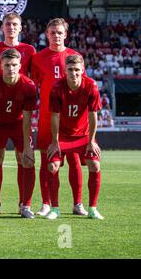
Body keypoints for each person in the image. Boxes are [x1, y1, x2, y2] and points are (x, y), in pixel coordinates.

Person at [0, 12, 36, 216]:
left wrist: (28, 144)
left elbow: (28, 116)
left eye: (15, 24)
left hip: (19, 120)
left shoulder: (29, 58)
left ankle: (25, 205)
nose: (11, 27)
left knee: (27, 159)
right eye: (7, 24)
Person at [31, 18, 88, 217]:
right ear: (47, 34)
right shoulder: (38, 58)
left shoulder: (75, 56)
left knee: (74, 161)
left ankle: (77, 203)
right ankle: (46, 203)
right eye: (52, 32)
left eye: (60, 32)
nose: (56, 35)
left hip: (71, 120)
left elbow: (84, 87)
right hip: (48, 117)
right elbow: (35, 85)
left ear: (66, 34)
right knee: (47, 161)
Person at [46, 54, 104, 220]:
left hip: (84, 135)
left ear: (83, 70)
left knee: (95, 165)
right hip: (63, 135)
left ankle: (92, 208)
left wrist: (92, 141)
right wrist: (55, 142)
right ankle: (55, 208)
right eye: (70, 70)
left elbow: (93, 115)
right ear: (64, 71)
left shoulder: (91, 86)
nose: (74, 73)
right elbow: (55, 116)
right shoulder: (57, 87)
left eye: (77, 70)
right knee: (52, 166)